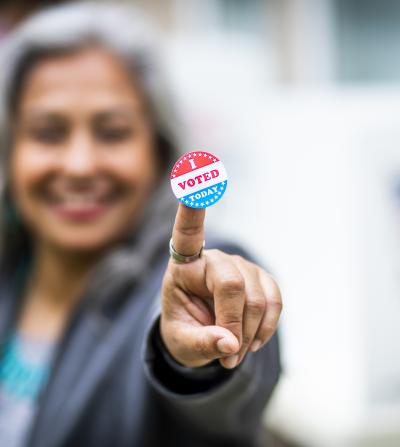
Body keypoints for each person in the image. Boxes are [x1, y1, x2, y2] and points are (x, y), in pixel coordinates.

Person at [0, 3, 282, 447]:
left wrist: (193, 357)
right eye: (48, 132)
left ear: (158, 150)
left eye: (113, 132)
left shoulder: (195, 278)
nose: (79, 165)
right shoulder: (9, 270)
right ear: (9, 152)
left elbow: (232, 395)